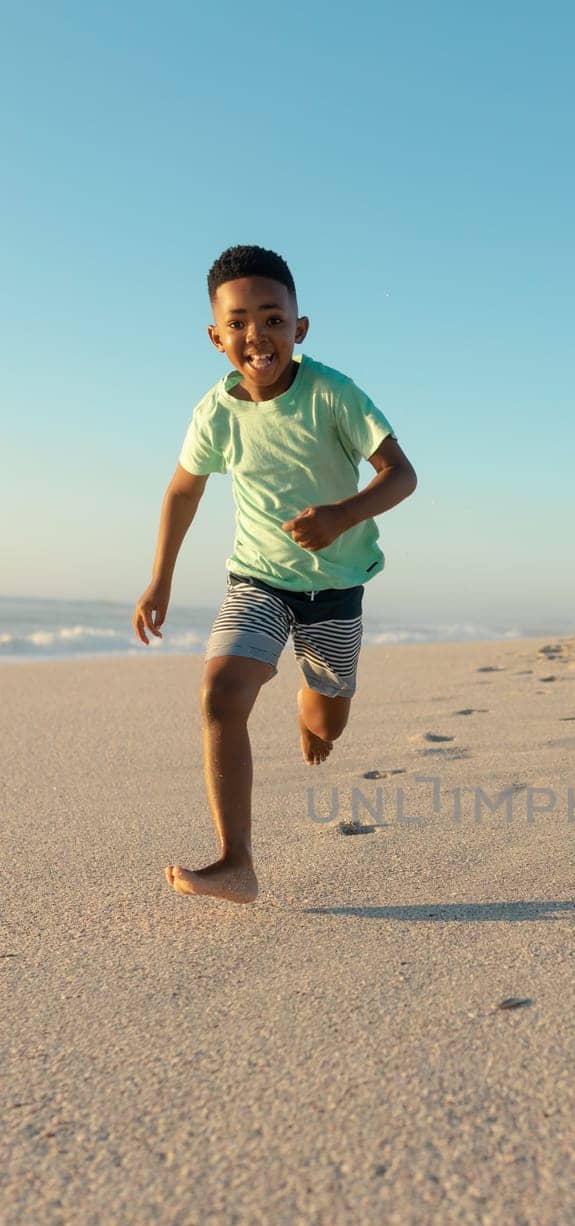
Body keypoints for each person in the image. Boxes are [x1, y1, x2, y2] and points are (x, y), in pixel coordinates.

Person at [132, 245, 417, 903]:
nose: (255, 336)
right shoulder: (215, 412)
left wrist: (343, 514)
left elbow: (400, 473)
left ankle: (312, 712)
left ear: (299, 328)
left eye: (271, 319)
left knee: (328, 723)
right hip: (256, 581)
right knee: (220, 693)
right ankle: (237, 861)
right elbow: (182, 491)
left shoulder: (333, 394)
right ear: (216, 337)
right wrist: (161, 578)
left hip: (336, 588)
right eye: (238, 323)